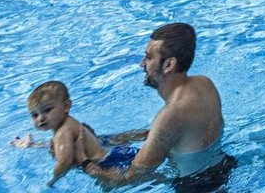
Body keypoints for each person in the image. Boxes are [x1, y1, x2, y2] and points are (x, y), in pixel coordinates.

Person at [81, 22, 228, 185]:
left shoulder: (171, 115)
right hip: (224, 166)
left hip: (196, 186)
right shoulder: (204, 84)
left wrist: (84, 163)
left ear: (168, 65)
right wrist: (117, 139)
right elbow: (175, 133)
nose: (142, 64)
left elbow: (129, 178)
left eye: (149, 57)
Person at [16, 80, 109, 187]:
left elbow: (65, 162)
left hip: (105, 167)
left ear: (66, 106)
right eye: (34, 115)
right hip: (107, 156)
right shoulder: (68, 124)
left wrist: (52, 180)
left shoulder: (63, 132)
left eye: (47, 110)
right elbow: (61, 146)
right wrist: (34, 145)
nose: (40, 118)